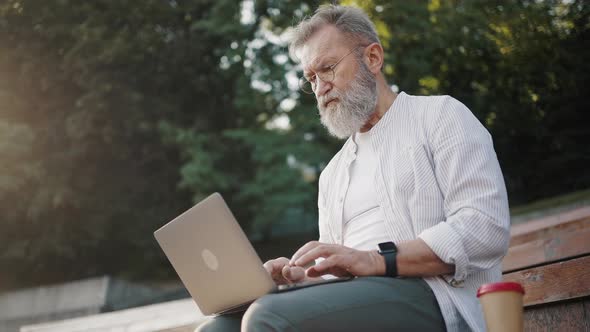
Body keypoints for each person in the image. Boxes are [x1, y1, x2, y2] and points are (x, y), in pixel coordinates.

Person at [198, 5, 509, 332]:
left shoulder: (442, 116)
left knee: (268, 316)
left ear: (373, 58)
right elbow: (338, 277)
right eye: (311, 78)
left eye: (328, 68)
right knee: (218, 329)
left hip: (439, 299)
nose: (319, 88)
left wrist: (375, 260)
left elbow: (484, 228)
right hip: (367, 303)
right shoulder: (332, 174)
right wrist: (297, 280)